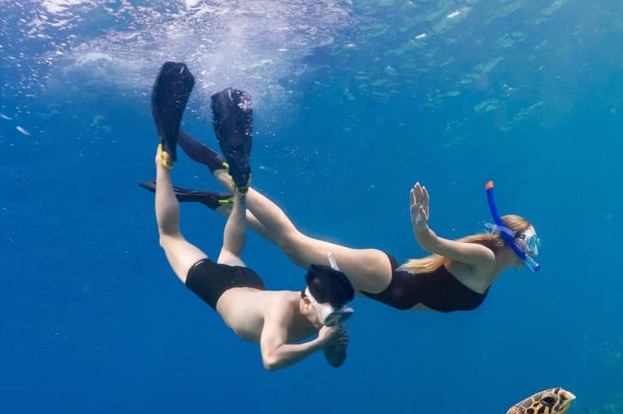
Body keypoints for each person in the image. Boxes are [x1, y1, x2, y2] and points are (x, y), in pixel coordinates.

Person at [147, 125, 542, 313]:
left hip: (380, 287)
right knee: (293, 242)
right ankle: (223, 171)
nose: (533, 248)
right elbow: (432, 245)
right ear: (510, 239)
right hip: (384, 276)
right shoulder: (486, 259)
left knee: (289, 246)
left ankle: (222, 203)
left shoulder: (490, 271)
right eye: (530, 239)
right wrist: (422, 226)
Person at [149, 62, 355, 371]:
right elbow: (270, 360)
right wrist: (319, 342)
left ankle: (241, 193)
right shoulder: (281, 307)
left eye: (340, 314)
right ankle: (164, 162)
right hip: (218, 286)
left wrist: (334, 344)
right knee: (169, 237)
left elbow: (335, 362)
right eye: (331, 316)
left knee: (230, 249)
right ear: (306, 300)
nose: (334, 320)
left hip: (246, 283)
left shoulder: (326, 311)